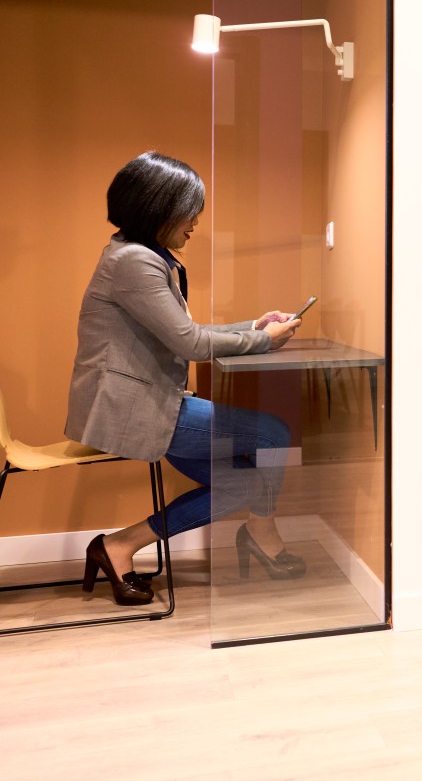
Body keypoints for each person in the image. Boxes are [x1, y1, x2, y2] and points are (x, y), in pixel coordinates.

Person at [66, 151, 306, 606]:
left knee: (244, 483)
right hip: (134, 409)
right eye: (188, 210)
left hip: (146, 401)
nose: (194, 221)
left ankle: (117, 545)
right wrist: (263, 341)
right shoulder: (135, 262)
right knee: (273, 433)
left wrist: (253, 328)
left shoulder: (137, 255)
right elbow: (192, 345)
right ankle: (263, 528)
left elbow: (185, 334)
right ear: (157, 207)